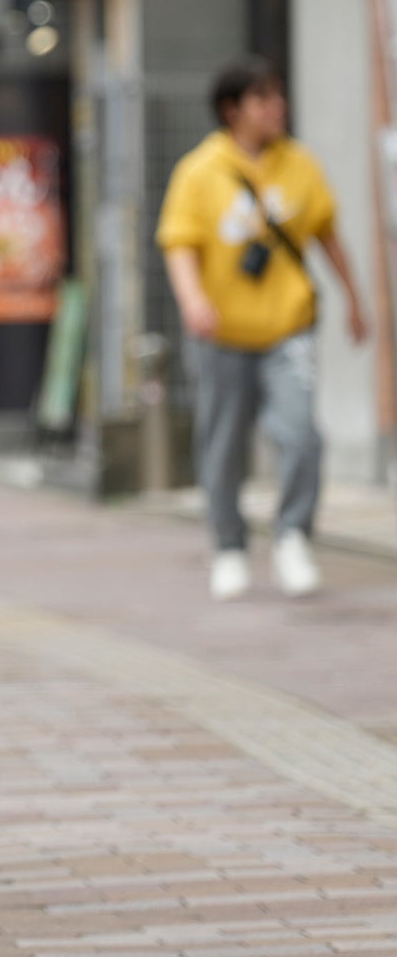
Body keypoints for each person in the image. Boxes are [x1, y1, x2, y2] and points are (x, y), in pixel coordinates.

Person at [157, 56, 368, 601]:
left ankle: (293, 534)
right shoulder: (198, 171)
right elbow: (180, 245)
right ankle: (229, 547)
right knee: (222, 445)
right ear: (233, 110)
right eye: (263, 98)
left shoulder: (300, 165)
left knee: (301, 433)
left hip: (287, 329)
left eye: (278, 96)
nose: (277, 107)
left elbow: (328, 236)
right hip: (220, 333)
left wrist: (355, 300)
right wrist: (193, 299)